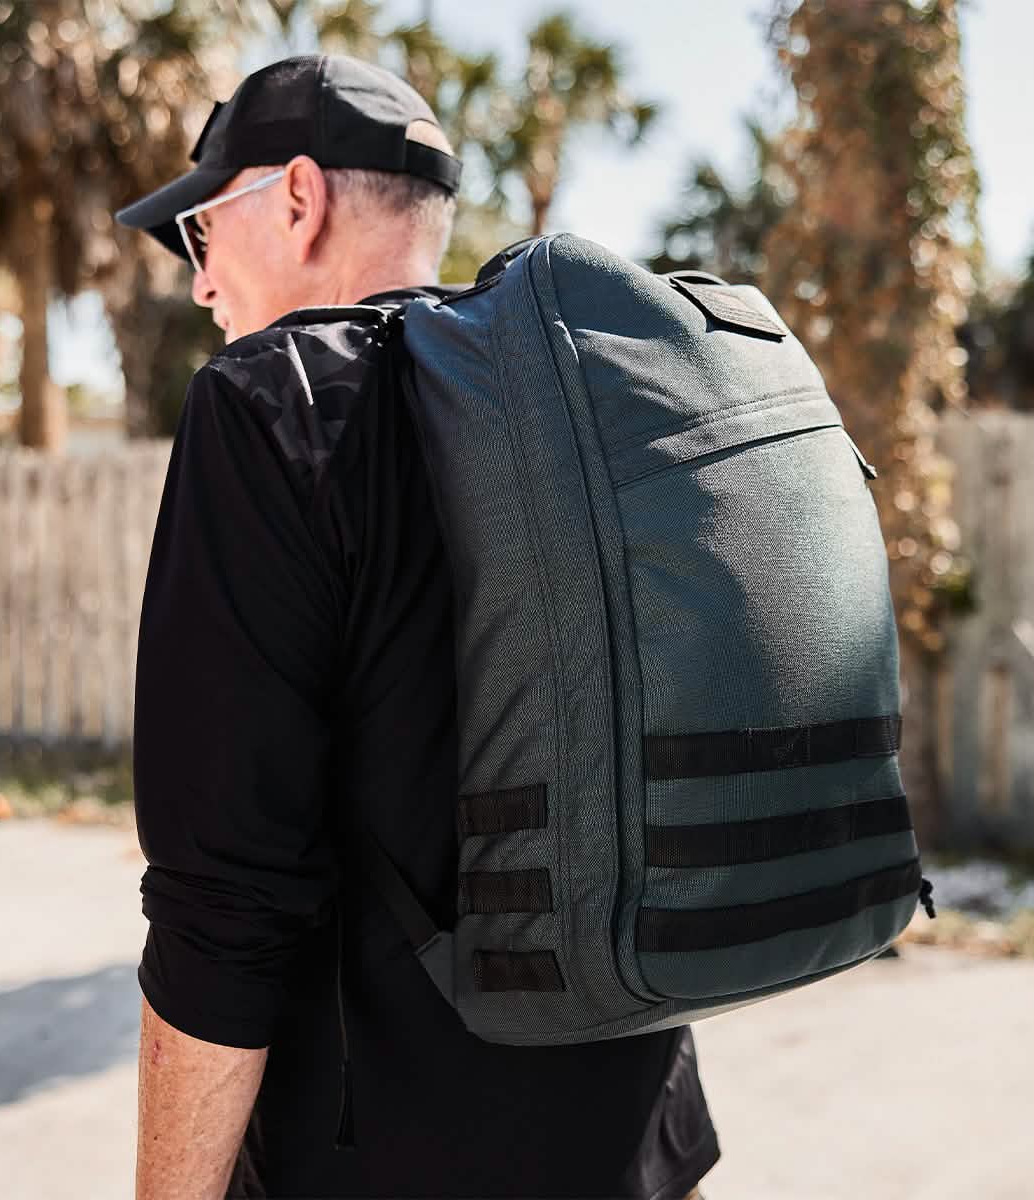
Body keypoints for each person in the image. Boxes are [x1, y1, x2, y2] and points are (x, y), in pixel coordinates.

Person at [116, 54, 721, 1200]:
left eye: (201, 234)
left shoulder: (269, 406)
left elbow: (221, 905)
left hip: (389, 1162)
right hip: (642, 1133)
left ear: (297, 197)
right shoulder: (582, 404)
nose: (201, 285)